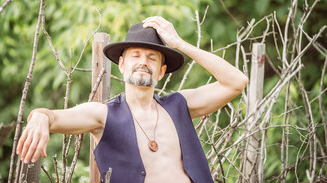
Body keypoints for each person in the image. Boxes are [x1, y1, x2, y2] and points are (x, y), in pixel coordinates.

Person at [16, 16, 248, 183]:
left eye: (152, 58)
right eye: (135, 55)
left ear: (161, 71)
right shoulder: (103, 115)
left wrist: (179, 44)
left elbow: (236, 82)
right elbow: (55, 117)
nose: (143, 62)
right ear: (123, 65)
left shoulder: (180, 105)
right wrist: (39, 116)